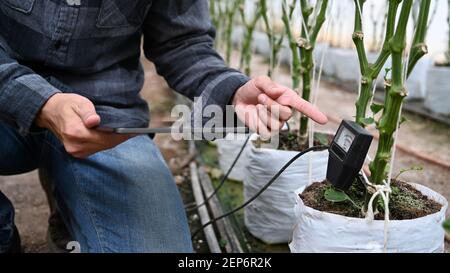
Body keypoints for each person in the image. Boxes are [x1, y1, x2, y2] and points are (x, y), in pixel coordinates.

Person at [0, 0, 327, 253]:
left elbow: (182, 43)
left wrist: (232, 89)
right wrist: (42, 103)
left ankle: (71, 202)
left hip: (104, 122)